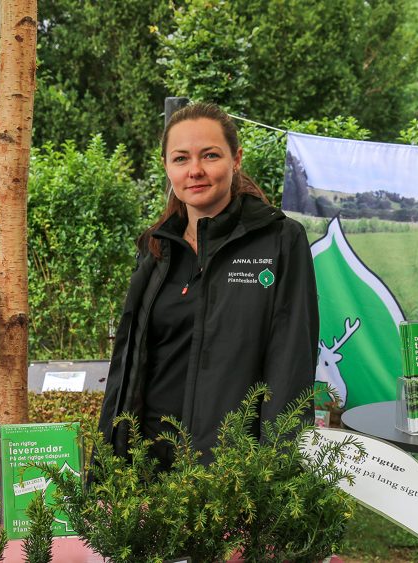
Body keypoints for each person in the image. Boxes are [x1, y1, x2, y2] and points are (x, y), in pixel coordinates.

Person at [98, 102, 318, 468]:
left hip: (228, 470)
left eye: (210, 155)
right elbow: (127, 366)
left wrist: (274, 473)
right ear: (166, 166)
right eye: (181, 159)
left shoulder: (280, 241)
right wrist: (108, 463)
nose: (195, 170)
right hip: (146, 462)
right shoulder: (156, 247)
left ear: (236, 159)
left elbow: (291, 364)